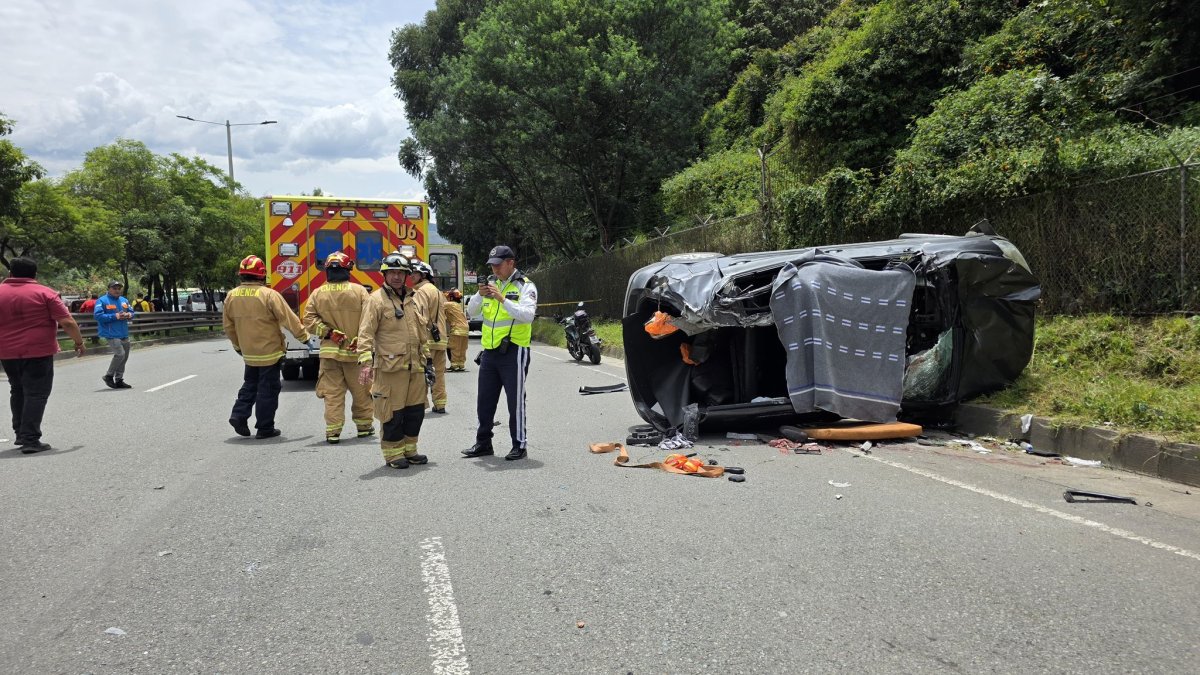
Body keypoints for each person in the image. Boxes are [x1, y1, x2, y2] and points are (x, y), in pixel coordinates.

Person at [222, 254, 317, 439]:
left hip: (249, 352)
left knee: (250, 384)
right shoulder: (269, 295)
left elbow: (228, 325)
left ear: (242, 275)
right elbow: (288, 318)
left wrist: (238, 346)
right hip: (269, 352)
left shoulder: (231, 296)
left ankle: (238, 414)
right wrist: (305, 338)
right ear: (261, 275)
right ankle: (265, 428)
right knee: (268, 389)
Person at [0, 257, 86, 453]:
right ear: (35, 274)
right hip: (38, 351)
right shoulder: (44, 292)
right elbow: (68, 322)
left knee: (18, 389)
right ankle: (30, 439)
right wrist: (79, 342)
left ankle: (21, 434)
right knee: (36, 393)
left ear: (11, 274)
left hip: (6, 352)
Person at [356, 252, 434, 469]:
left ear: (407, 275)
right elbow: (365, 333)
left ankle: (410, 450)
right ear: (385, 275)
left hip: (415, 368)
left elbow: (421, 334)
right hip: (391, 369)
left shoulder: (414, 299)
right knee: (392, 413)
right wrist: (364, 362)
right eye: (392, 273)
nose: (397, 277)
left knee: (415, 412)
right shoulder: (375, 301)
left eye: (401, 272)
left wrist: (428, 362)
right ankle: (393, 455)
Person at [462, 245, 538, 461]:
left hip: (514, 350)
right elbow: (471, 311)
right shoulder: (491, 284)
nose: (494, 270)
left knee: (515, 401)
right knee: (484, 400)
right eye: (492, 266)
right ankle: (483, 442)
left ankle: (519, 445)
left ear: (510, 263)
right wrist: (479, 294)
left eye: (498, 265)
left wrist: (503, 300)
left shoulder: (525, 286)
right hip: (489, 351)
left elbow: (528, 315)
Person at [303, 251, 374, 444]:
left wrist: (328, 332)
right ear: (348, 269)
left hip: (330, 354)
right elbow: (370, 319)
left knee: (333, 394)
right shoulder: (359, 291)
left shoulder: (317, 293)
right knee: (362, 391)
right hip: (355, 353)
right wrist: (360, 339)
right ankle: (364, 427)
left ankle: (333, 432)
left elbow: (308, 320)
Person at [412, 260, 449, 413]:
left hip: (427, 339)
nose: (411, 276)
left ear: (424, 274)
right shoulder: (437, 291)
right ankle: (440, 403)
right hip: (440, 339)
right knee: (439, 373)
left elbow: (420, 316)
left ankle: (420, 405)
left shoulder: (420, 292)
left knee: (421, 374)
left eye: (415, 273)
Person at [95, 281, 136, 389]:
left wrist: (128, 314)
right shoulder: (102, 300)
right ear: (109, 289)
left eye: (119, 288)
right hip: (111, 333)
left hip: (124, 332)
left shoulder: (124, 300)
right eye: (114, 288)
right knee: (120, 354)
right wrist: (115, 316)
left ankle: (119, 380)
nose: (117, 290)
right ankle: (109, 376)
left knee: (124, 357)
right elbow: (98, 316)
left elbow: (132, 313)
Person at [444, 288, 470, 372]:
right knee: (462, 347)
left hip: (457, 329)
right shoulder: (457, 305)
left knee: (453, 347)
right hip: (465, 329)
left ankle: (454, 365)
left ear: (451, 297)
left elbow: (438, 305)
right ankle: (461, 364)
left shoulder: (449, 304)